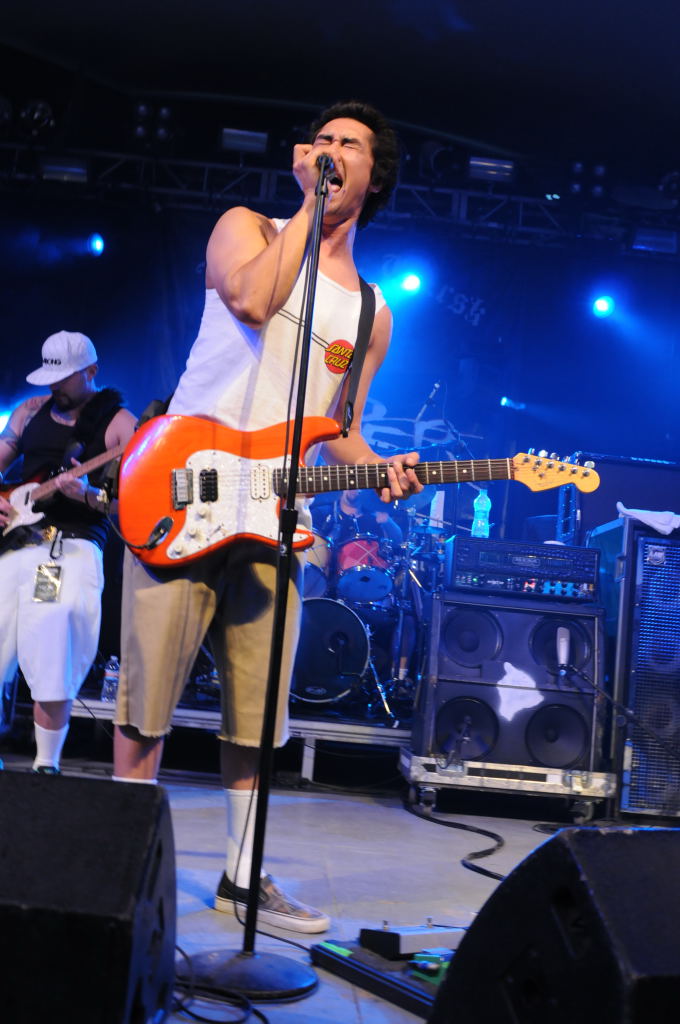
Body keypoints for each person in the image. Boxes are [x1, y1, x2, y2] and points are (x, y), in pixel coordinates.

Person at [112, 100, 423, 933]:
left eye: (348, 144)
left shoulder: (372, 313)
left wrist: (383, 469)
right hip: (182, 487)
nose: (329, 149)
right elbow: (252, 301)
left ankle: (243, 879)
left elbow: (342, 428)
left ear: (376, 176)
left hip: (276, 513)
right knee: (147, 700)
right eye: (321, 139)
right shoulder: (245, 228)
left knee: (256, 714)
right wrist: (310, 210)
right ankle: (117, 870)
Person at [0, 330, 137, 773]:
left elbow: (137, 502)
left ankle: (46, 764)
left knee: (53, 637)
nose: (54, 386)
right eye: (50, 377)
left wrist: (89, 496)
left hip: (68, 548)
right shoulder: (29, 411)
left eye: (64, 377)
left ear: (91, 371)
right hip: (16, 543)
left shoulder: (120, 425)